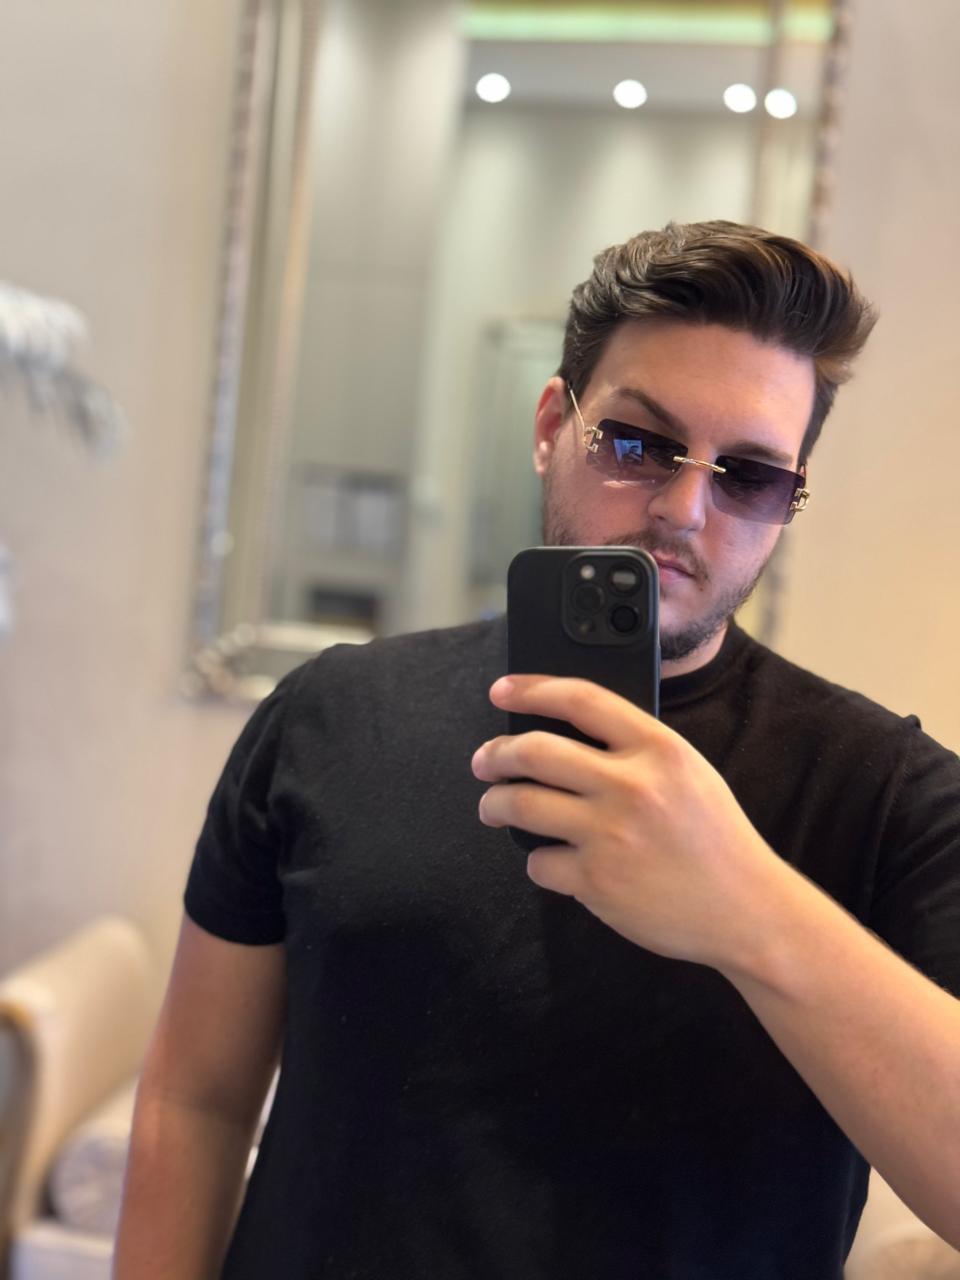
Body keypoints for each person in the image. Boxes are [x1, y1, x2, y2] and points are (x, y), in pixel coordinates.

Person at [114, 221, 960, 1280]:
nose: (683, 508)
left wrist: (746, 907)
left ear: (788, 500)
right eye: (638, 443)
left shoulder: (888, 795)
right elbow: (194, 1098)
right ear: (554, 426)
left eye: (747, 474)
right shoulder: (329, 713)